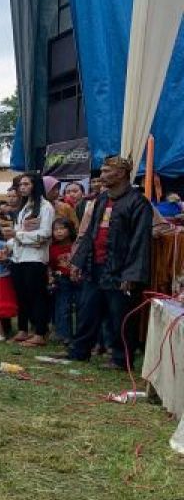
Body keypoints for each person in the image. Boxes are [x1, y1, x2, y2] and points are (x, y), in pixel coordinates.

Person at [66, 156, 154, 370]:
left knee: (120, 319)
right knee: (87, 311)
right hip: (95, 267)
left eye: (106, 171)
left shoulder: (137, 202)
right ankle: (79, 352)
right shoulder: (103, 199)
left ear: (121, 174)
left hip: (120, 270)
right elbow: (90, 234)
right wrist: (77, 261)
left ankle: (120, 360)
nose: (101, 175)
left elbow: (140, 241)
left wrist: (131, 275)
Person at [8, 173, 54, 347]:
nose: (22, 187)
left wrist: (18, 236)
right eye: (20, 185)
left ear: (35, 185)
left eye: (26, 184)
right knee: (21, 295)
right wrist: (9, 245)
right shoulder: (23, 207)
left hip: (35, 258)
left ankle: (40, 333)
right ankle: (22, 330)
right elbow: (17, 232)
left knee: (37, 296)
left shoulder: (45, 207)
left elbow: (44, 234)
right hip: (18, 257)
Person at [48, 217, 79, 344]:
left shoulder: (76, 245)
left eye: (62, 228)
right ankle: (65, 335)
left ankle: (79, 334)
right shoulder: (52, 248)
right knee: (63, 307)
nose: (59, 232)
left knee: (79, 308)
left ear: (70, 230)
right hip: (61, 280)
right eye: (56, 229)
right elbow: (50, 265)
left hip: (77, 279)